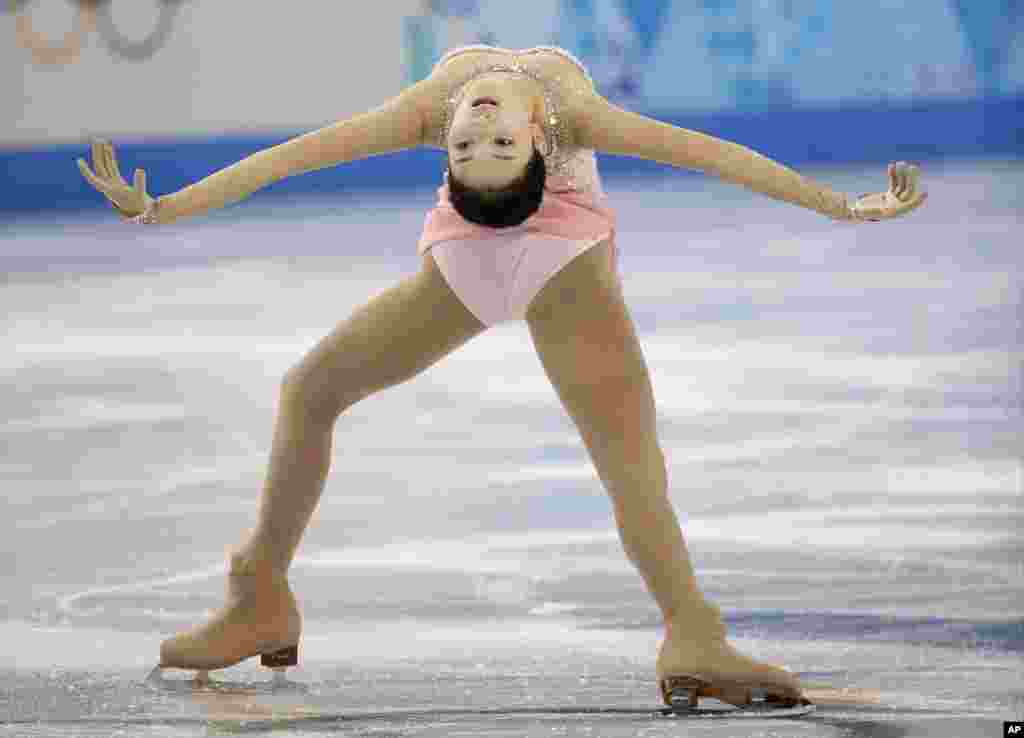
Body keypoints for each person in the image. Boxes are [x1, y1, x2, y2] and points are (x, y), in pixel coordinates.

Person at [77, 44, 926, 709]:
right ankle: (690, 634)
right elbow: (290, 160)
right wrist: (161, 209)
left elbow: (715, 156)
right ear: (526, 151)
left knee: (318, 394)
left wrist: (842, 207)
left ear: (530, 149)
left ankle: (260, 595)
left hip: (525, 264)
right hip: (517, 265)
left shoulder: (441, 109)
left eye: (481, 143)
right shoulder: (569, 112)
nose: (480, 125)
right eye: (482, 144)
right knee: (621, 459)